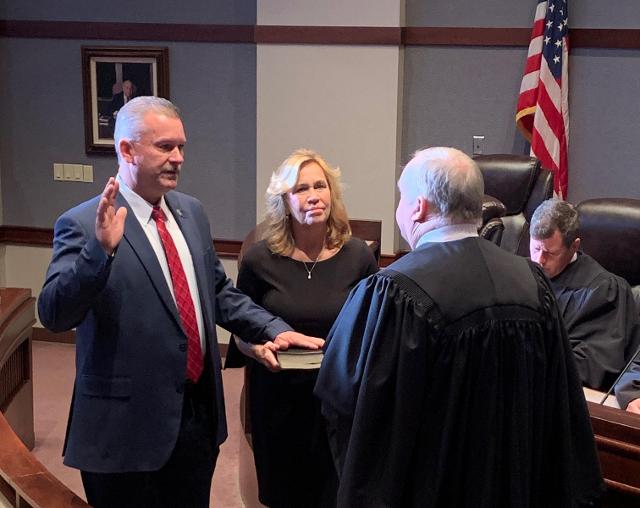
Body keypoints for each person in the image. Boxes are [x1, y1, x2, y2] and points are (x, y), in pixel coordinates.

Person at [37, 96, 323, 508]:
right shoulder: (83, 223)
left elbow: (218, 292)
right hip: (124, 432)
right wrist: (99, 254)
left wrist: (275, 329)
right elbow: (54, 315)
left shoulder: (191, 213)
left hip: (195, 419)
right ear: (126, 150)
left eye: (181, 147)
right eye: (165, 147)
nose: (177, 158)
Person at [314, 147, 604, 507]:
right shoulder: (532, 282)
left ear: (419, 207)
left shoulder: (394, 291)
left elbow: (348, 405)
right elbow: (561, 403)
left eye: (402, 199)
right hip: (516, 487)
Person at [225, 148, 378, 507]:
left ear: (332, 194)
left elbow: (374, 327)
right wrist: (256, 349)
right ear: (284, 200)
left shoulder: (358, 256)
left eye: (321, 186)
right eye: (301, 188)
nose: (313, 196)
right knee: (283, 496)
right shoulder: (260, 259)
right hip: (278, 398)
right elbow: (240, 328)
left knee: (336, 494)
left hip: (337, 399)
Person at [529, 198, 640, 414]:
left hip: (569, 406)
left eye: (550, 253)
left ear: (575, 246)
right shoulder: (521, 275)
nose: (539, 260)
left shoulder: (604, 291)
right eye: (535, 248)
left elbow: (592, 366)